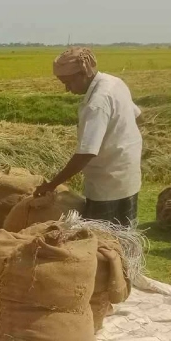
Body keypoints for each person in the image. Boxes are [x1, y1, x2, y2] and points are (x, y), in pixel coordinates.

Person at [36, 47, 142, 227]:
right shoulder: (115, 82)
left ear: (82, 73)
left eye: (68, 82)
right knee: (125, 235)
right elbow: (138, 116)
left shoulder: (97, 103)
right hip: (127, 172)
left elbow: (86, 153)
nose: (67, 89)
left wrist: (52, 185)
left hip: (107, 183)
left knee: (102, 242)